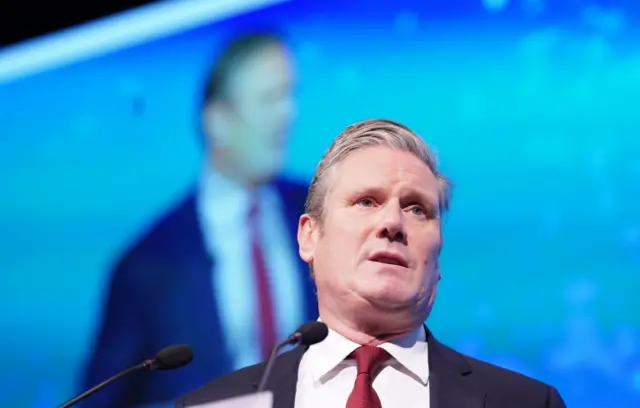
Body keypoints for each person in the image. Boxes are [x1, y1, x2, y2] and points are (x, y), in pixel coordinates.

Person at [174, 119, 567, 408]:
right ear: (309, 235)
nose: (392, 223)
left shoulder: (526, 403)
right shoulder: (216, 405)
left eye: (417, 209)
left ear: (438, 255)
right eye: (366, 202)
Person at [80, 30, 318, 408]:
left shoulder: (321, 210)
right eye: (269, 98)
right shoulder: (145, 267)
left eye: (290, 95)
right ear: (218, 120)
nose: (288, 113)